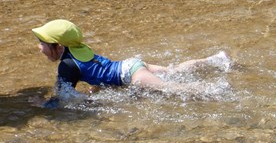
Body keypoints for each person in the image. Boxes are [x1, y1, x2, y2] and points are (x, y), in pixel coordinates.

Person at [32, 19, 225, 107]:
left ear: (58, 46)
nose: (39, 47)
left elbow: (64, 96)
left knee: (172, 88)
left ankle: (215, 91)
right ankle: (215, 60)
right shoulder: (76, 48)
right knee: (173, 71)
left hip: (134, 76)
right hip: (131, 65)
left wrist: (44, 104)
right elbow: (97, 70)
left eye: (42, 43)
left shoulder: (66, 65)